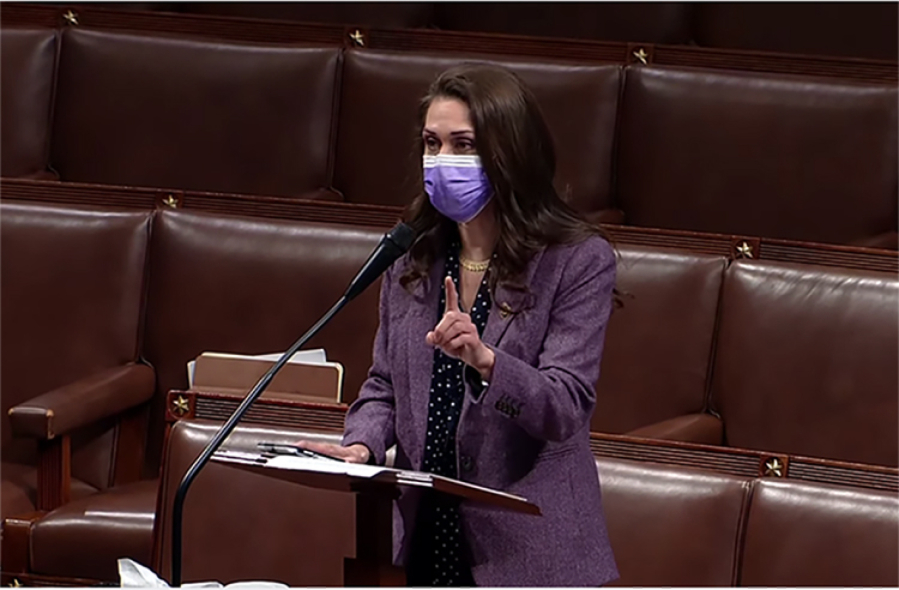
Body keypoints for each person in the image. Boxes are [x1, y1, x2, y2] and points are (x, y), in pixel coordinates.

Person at [300, 63, 619, 587]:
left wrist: (487, 362)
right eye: (431, 143)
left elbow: (564, 407)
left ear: (508, 153)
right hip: (426, 542)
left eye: (463, 145)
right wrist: (361, 445)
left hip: (532, 558)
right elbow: (385, 385)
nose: (441, 161)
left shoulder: (576, 261)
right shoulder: (412, 257)